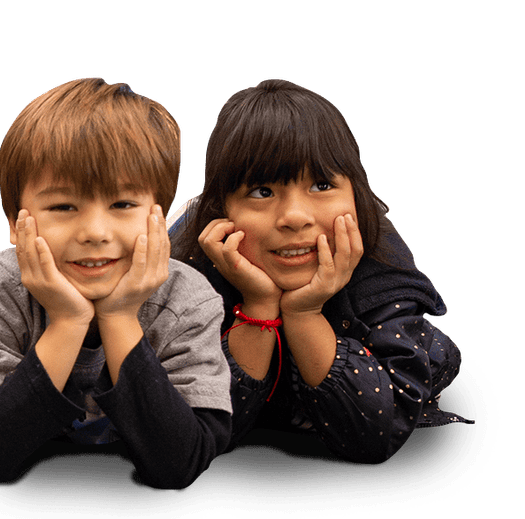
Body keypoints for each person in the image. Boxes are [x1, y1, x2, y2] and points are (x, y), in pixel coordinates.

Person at [0, 77, 230, 488]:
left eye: (122, 204)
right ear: (14, 223)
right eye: (63, 206)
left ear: (157, 214)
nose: (95, 231)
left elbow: (179, 466)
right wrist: (66, 322)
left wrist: (119, 316)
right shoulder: (2, 284)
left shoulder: (189, 299)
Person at [173, 78, 464, 462]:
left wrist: (303, 313)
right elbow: (193, 438)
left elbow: (375, 435)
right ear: (221, 212)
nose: (295, 217)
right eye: (262, 191)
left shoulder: (380, 268)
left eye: (322, 184)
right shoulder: (187, 275)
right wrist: (258, 304)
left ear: (357, 197)